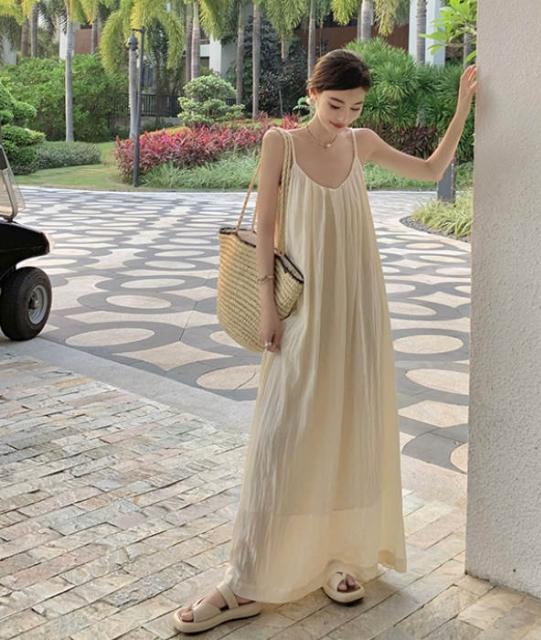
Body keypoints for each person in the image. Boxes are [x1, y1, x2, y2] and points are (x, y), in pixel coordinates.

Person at [173, 48, 478, 634]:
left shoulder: (361, 144)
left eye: (355, 108)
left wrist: (463, 104)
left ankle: (341, 555)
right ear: (312, 94)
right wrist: (268, 305)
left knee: (349, 428)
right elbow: (265, 227)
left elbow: (431, 169)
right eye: (335, 105)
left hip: (358, 309)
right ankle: (245, 580)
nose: (343, 118)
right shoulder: (281, 145)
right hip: (302, 313)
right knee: (283, 435)